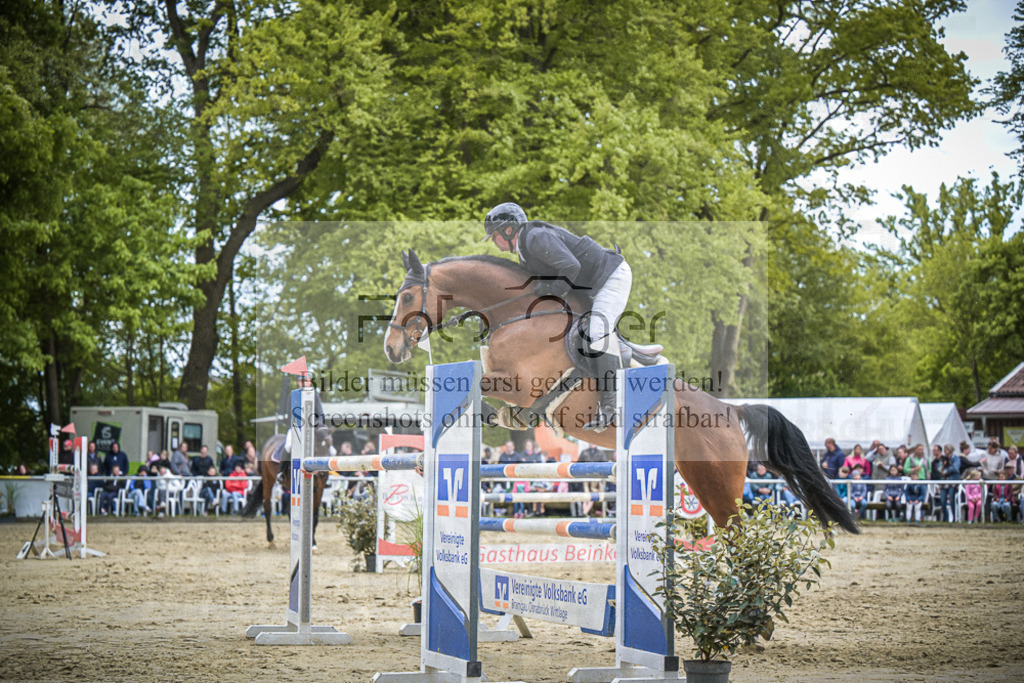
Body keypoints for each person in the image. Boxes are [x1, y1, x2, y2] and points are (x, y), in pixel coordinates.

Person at [483, 202, 632, 430]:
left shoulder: (535, 238)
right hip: (587, 285)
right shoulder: (525, 250)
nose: (494, 242)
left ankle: (612, 406)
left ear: (509, 230)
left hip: (610, 278)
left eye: (494, 236)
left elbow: (571, 267)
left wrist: (554, 290)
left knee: (597, 331)